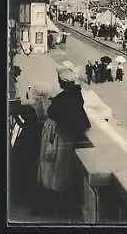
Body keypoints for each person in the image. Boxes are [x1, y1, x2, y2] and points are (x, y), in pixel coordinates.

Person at [37, 67, 91, 216]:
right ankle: (56, 203)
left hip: (59, 138)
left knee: (54, 170)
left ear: (63, 82)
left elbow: (54, 113)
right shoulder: (74, 95)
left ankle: (54, 205)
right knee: (58, 171)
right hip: (64, 137)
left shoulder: (66, 98)